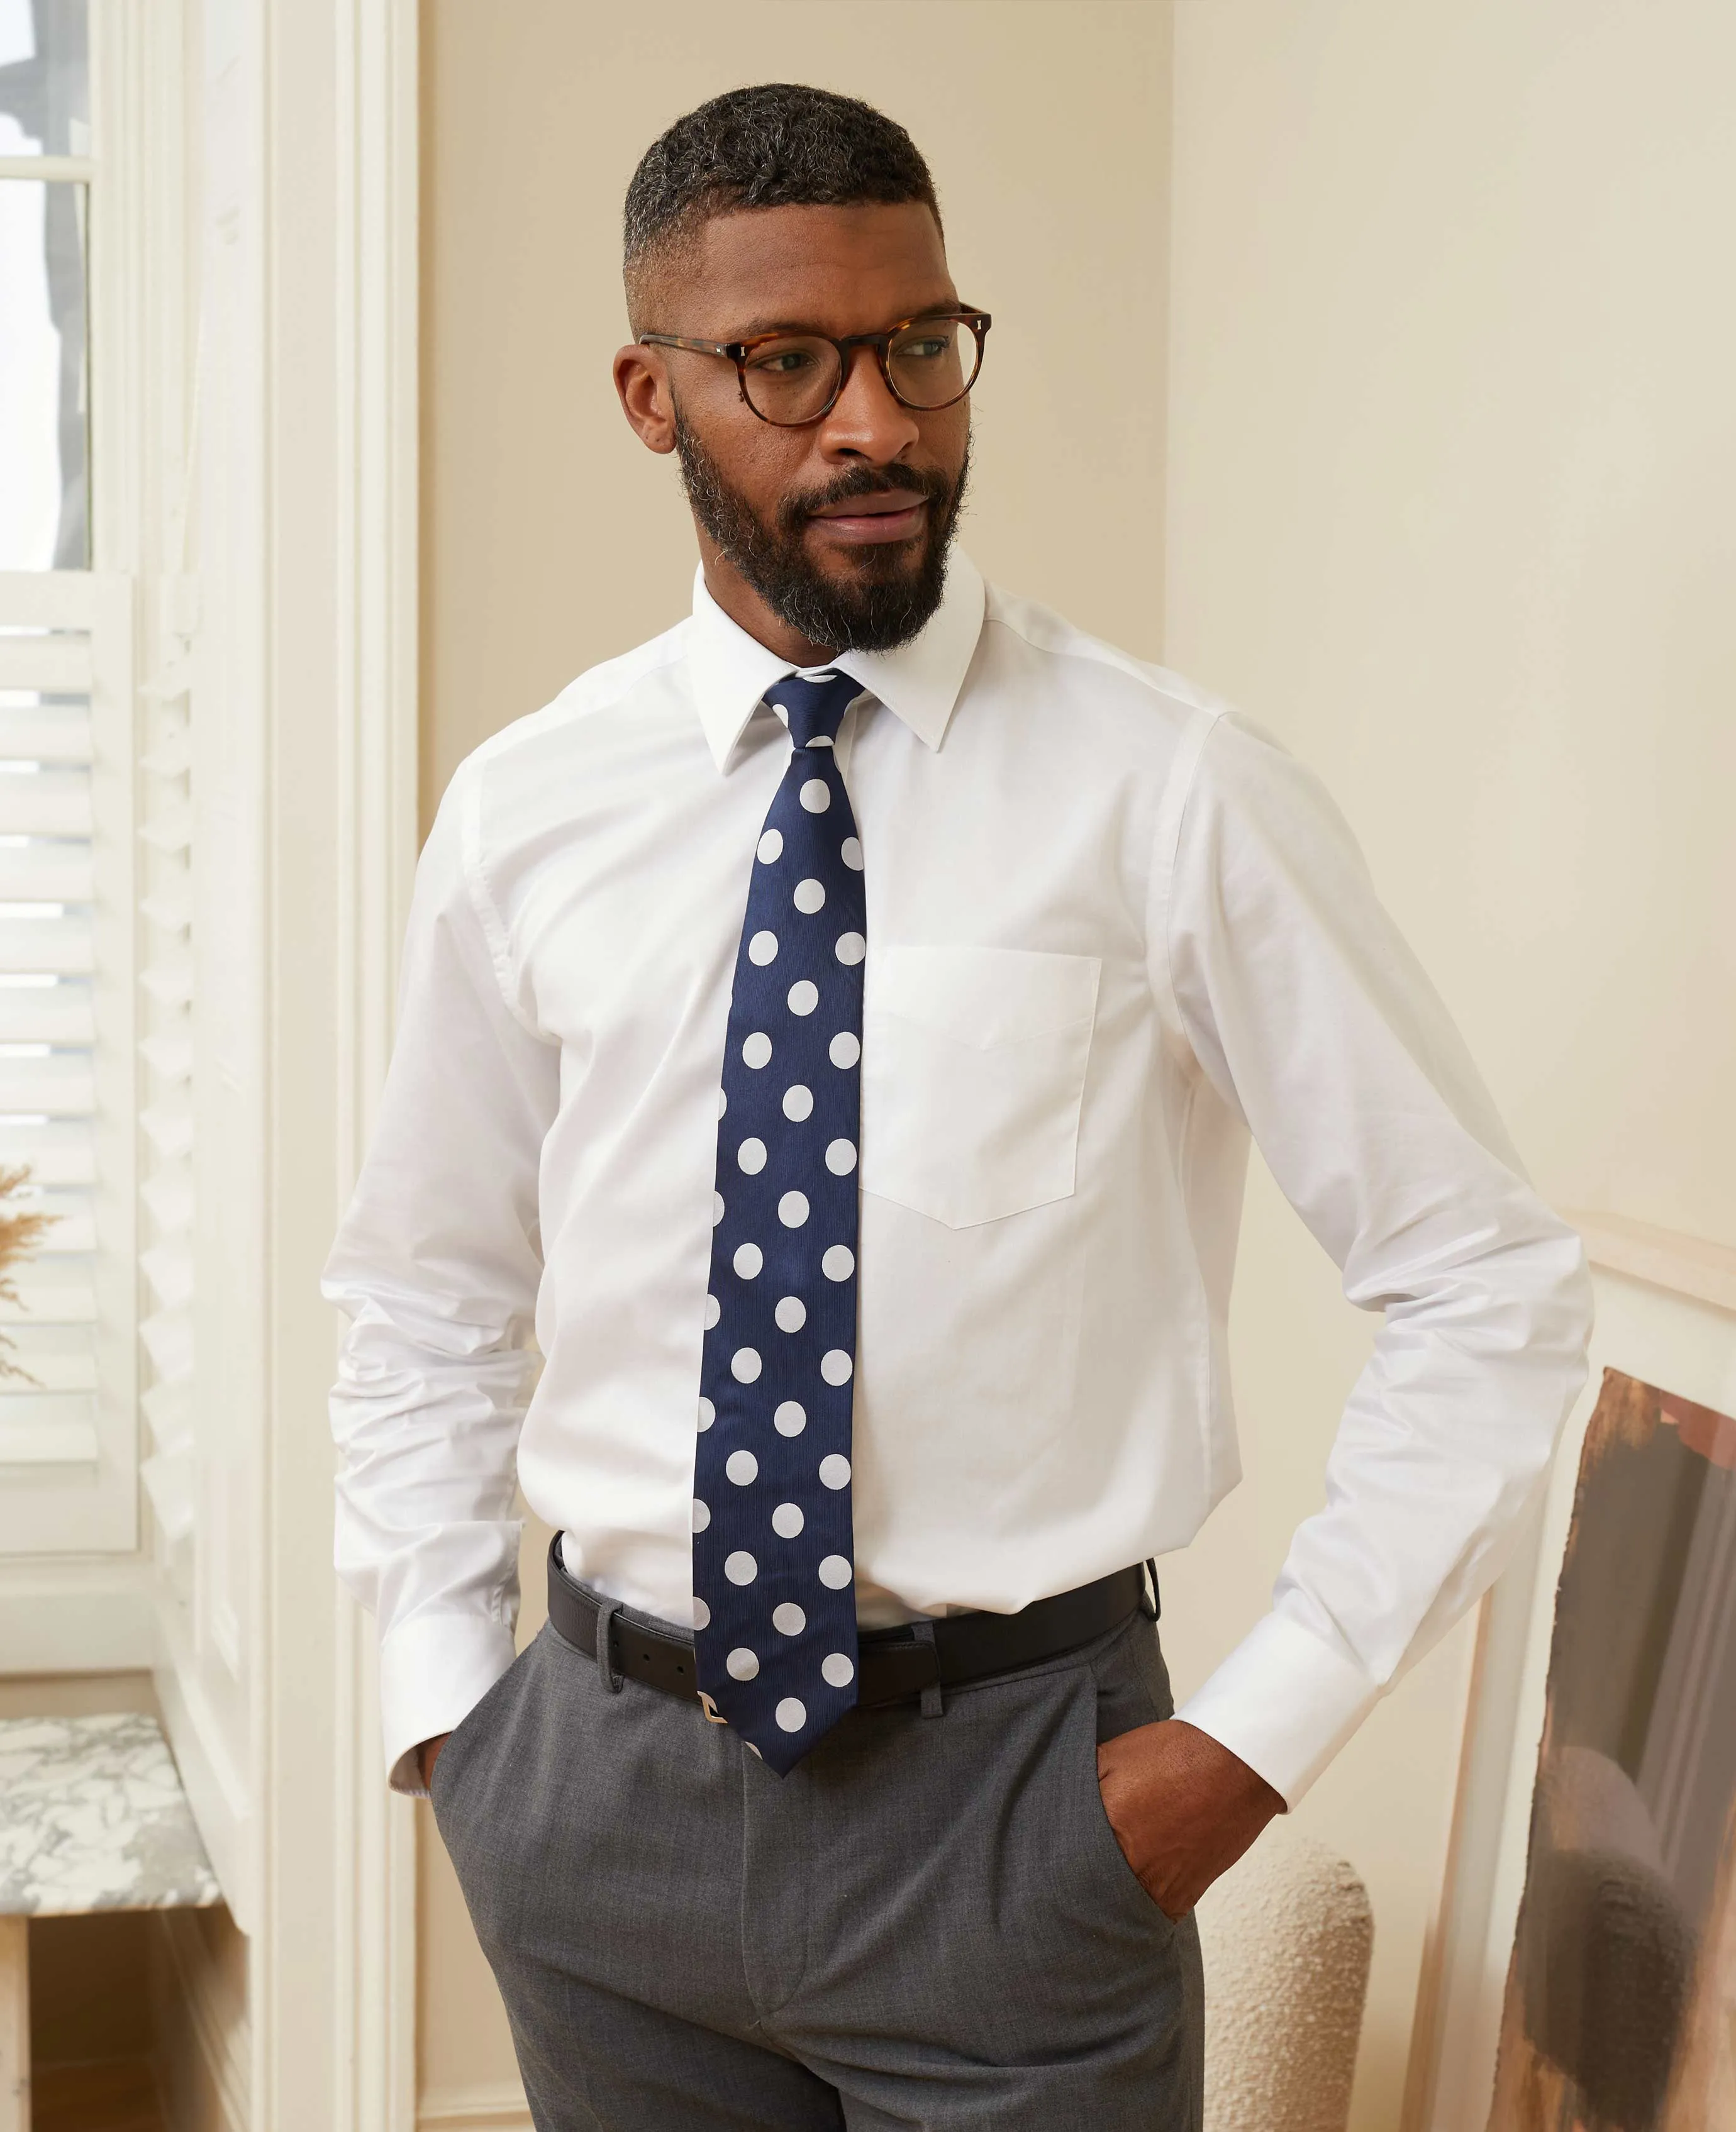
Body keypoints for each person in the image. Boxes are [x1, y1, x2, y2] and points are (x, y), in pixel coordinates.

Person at [324, 82, 1592, 2132]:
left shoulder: (1170, 787)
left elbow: (1489, 1285)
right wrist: (459, 1723)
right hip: (599, 1798)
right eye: (788, 363)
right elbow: (422, 1289)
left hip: (1020, 1818)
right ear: (652, 397)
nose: (878, 425)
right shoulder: (524, 814)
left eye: (921, 345)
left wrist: (1243, 1749)